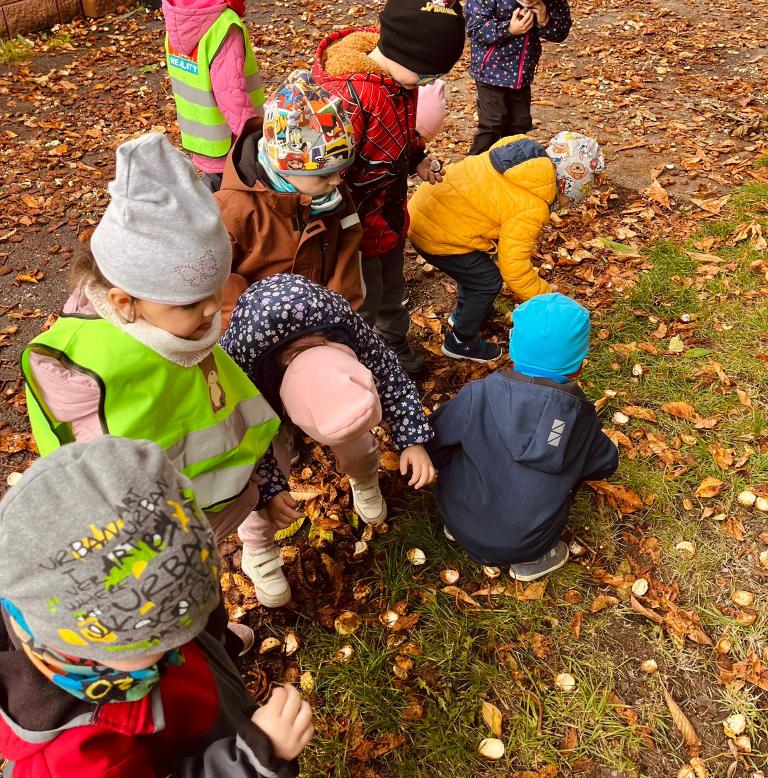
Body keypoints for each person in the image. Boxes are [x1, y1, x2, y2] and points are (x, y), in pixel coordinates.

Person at [0, 435, 313, 778]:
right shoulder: (70, 762)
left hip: (203, 744)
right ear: (87, 647)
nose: (181, 643)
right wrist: (256, 760)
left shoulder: (107, 629)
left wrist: (215, 642)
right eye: (161, 644)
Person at [21, 134, 300, 610]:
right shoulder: (79, 373)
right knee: (184, 602)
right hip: (156, 549)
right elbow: (93, 484)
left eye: (216, 290)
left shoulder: (182, 331)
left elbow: (236, 412)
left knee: (204, 588)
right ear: (123, 301)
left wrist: (266, 486)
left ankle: (215, 630)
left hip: (216, 510)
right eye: (192, 302)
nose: (212, 310)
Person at [313, 0, 466, 374]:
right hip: (355, 225)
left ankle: (393, 345)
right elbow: (328, 170)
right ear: (402, 49)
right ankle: (363, 365)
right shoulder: (351, 96)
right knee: (364, 296)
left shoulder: (400, 82)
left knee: (393, 288)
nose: (429, 83)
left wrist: (417, 157)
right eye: (426, 74)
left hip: (390, 214)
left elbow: (397, 134)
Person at [220, 274, 436, 564]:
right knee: (261, 479)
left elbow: (389, 374)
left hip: (309, 359)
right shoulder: (242, 360)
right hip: (260, 393)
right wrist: (270, 491)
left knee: (357, 444)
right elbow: (247, 438)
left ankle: (364, 477)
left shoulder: (341, 323)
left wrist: (412, 440)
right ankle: (258, 549)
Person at [427, 293, 619, 580]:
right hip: (526, 543)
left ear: (513, 350)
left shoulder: (478, 394)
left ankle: (462, 530)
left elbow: (435, 438)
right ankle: (533, 561)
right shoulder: (578, 417)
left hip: (456, 516)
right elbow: (604, 463)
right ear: (579, 365)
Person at [408, 132, 604, 363]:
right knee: (487, 281)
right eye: (566, 200)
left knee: (475, 269)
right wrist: (548, 299)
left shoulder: (517, 162)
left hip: (426, 210)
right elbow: (515, 269)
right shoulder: (531, 207)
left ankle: (464, 313)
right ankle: (460, 341)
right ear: (566, 185)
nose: (562, 205)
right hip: (435, 233)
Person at [216, 69, 363, 328]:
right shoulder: (232, 211)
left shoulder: (331, 196)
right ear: (284, 168)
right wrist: (261, 324)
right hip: (260, 332)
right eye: (324, 174)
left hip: (323, 322)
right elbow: (218, 281)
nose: (337, 181)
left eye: (339, 171)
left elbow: (347, 250)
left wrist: (339, 317)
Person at [162, 0, 267, 191]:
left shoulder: (182, 12)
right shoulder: (223, 25)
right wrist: (256, 139)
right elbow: (231, 94)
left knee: (213, 194)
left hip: (200, 138)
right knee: (234, 205)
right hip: (231, 145)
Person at [466, 0, 572, 156]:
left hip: (521, 74)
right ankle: (472, 166)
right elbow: (473, 27)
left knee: (519, 124)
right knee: (493, 122)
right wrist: (508, 29)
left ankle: (510, 164)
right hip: (490, 71)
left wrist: (545, 20)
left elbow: (561, 32)